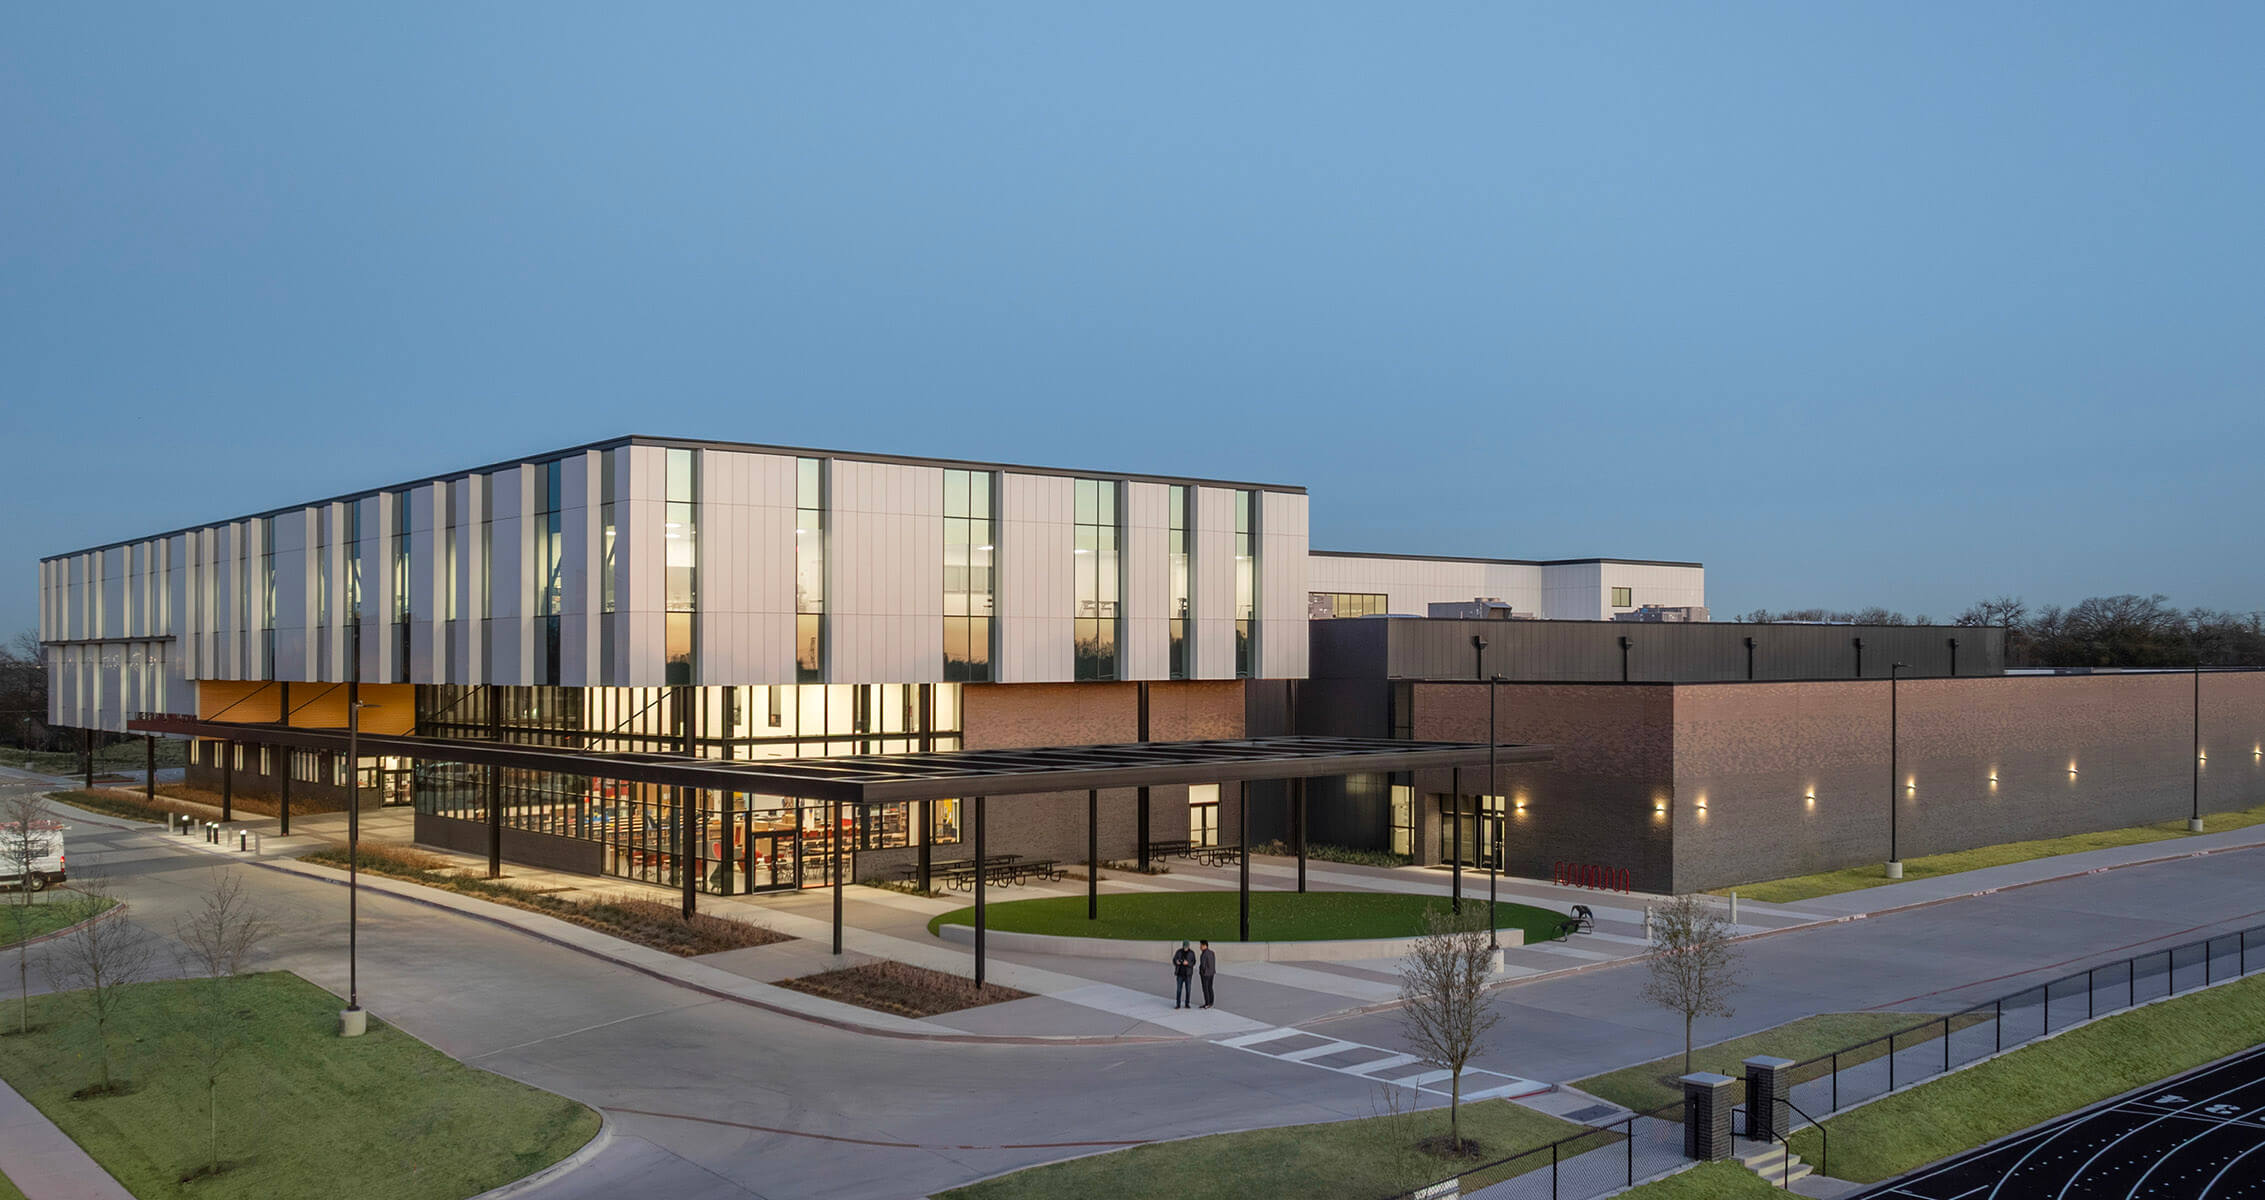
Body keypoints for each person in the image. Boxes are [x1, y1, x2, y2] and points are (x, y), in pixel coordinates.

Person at [1171, 941, 1196, 1009]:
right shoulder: (1179, 952)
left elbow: (1194, 962)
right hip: (1180, 974)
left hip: (1188, 975)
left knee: (1188, 990)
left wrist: (1187, 963)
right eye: (1184, 946)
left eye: (1187, 947)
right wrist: (1176, 962)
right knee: (1179, 990)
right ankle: (1178, 1004)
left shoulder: (1191, 953)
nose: (1185, 948)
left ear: (1188, 946)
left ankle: (1187, 1004)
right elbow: (1174, 960)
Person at [1197, 939, 1218, 1009]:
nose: (1200, 947)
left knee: (1205, 989)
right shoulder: (1212, 952)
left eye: (1200, 945)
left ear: (1204, 945)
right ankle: (1211, 1002)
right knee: (1210, 988)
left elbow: (1203, 965)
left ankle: (1207, 1003)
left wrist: (1201, 972)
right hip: (1211, 973)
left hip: (1205, 974)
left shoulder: (1203, 954)